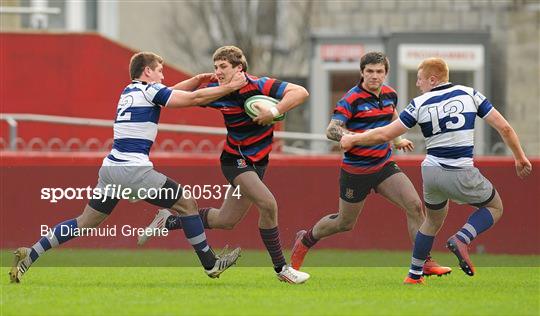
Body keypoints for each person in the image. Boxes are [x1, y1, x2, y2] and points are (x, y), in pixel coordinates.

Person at [9, 52, 248, 283]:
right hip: (133, 171)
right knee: (187, 204)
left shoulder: (130, 90)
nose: (163, 76)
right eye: (160, 71)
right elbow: (193, 99)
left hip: (110, 169)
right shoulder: (150, 90)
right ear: (147, 71)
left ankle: (30, 254)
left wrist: (196, 80)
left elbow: (170, 93)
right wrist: (230, 87)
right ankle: (210, 264)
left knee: (85, 222)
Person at [340, 57, 532, 284]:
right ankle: (462, 238)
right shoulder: (469, 94)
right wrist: (519, 157)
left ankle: (413, 275)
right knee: (495, 206)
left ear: (433, 79)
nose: (418, 84)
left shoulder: (419, 103)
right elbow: (505, 128)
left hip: (431, 172)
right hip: (459, 169)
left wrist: (355, 139)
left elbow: (384, 134)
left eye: (420, 80)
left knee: (431, 221)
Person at [138, 46, 311, 284]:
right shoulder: (217, 92)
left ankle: (168, 220)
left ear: (239, 68)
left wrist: (275, 110)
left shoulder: (259, 85)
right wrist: (198, 79)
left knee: (225, 220)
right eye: (216, 67)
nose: (217, 71)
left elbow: (300, 92)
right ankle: (282, 269)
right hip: (235, 161)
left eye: (223, 67)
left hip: (258, 163)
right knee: (268, 205)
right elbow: (167, 96)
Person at [289, 52, 451, 277]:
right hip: (356, 170)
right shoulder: (351, 98)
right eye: (370, 72)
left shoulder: (390, 94)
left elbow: (392, 116)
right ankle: (305, 239)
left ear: (386, 73)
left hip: (383, 166)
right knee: (344, 222)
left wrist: (397, 140)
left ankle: (423, 262)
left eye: (379, 72)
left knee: (414, 205)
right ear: (362, 73)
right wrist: (349, 136)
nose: (375, 76)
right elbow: (332, 129)